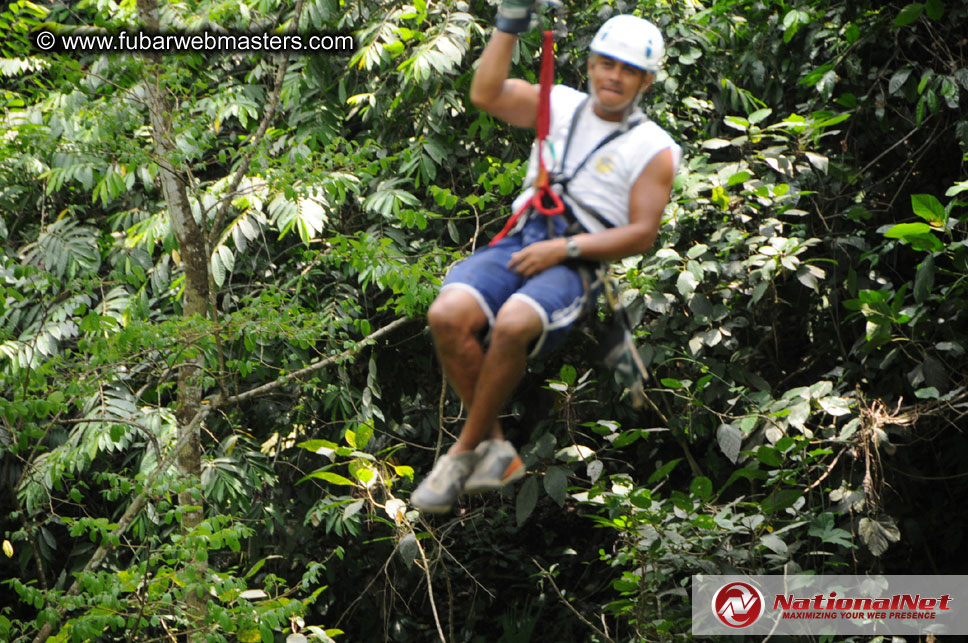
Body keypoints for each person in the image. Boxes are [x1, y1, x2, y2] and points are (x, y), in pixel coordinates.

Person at [411, 2, 682, 513]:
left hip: (577, 257)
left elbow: (642, 233)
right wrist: (509, 24)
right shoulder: (559, 103)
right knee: (446, 315)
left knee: (514, 323)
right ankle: (494, 448)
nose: (615, 77)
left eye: (629, 70)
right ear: (592, 64)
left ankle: (464, 452)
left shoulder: (654, 147)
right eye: (608, 63)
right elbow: (485, 93)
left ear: (647, 81)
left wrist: (565, 248)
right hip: (523, 234)